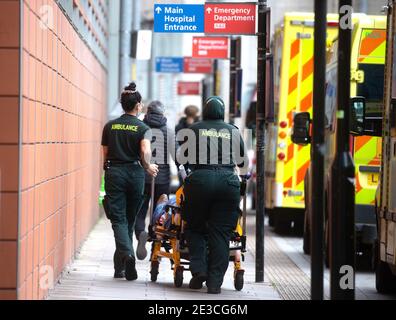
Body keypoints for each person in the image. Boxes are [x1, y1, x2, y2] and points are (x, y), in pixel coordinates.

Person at [182, 96, 248, 294]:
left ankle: (199, 270)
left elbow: (181, 158)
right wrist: (241, 183)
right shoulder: (234, 131)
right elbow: (243, 163)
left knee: (195, 227)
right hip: (228, 182)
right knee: (221, 233)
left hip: (200, 180)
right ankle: (214, 283)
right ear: (222, 111)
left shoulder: (193, 129)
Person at [101, 82, 159, 281]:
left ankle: (125, 259)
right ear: (138, 105)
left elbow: (105, 155)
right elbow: (144, 151)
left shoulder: (110, 126)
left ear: (122, 104)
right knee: (129, 219)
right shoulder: (143, 127)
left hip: (114, 172)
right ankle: (123, 262)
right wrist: (148, 166)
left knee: (118, 219)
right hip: (135, 174)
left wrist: (108, 170)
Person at [134, 101, 175, 260]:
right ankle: (156, 248)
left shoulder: (141, 129)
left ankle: (140, 234)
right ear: (162, 113)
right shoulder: (169, 132)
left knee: (140, 211)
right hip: (162, 179)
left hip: (142, 177)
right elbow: (177, 155)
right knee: (161, 214)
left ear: (147, 112)